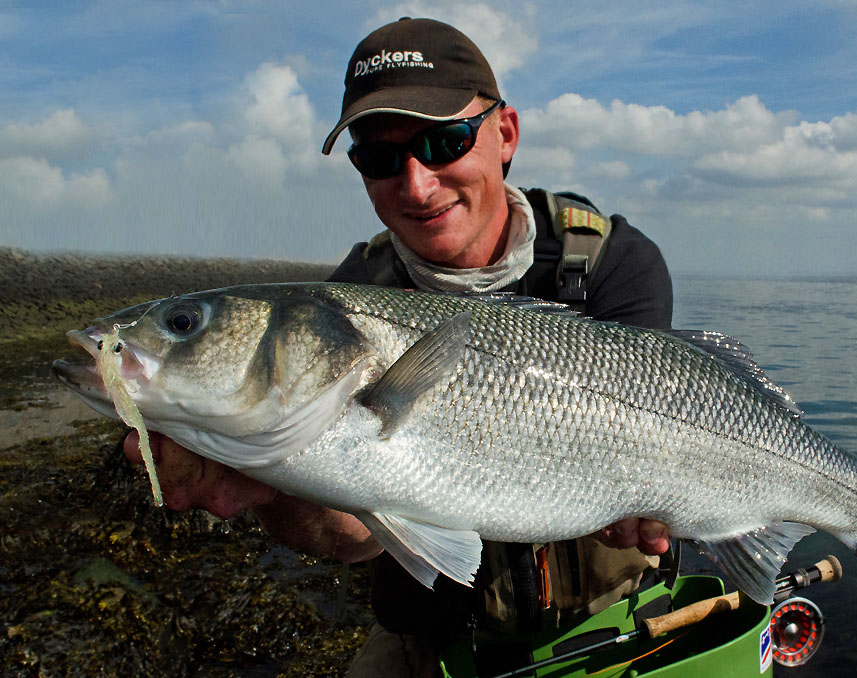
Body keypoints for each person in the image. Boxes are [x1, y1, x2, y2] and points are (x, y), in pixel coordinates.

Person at [124, 17, 675, 676]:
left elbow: (670, 441)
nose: (416, 185)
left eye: (444, 142)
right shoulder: (346, 300)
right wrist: (271, 478)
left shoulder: (612, 261)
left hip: (619, 624)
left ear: (505, 134)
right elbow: (354, 536)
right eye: (379, 158)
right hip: (435, 645)